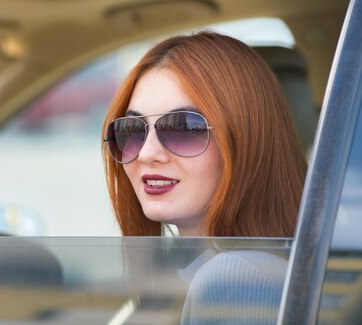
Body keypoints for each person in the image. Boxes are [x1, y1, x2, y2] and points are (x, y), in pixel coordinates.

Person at [102, 31, 307, 237]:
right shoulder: (267, 262)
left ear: (246, 140)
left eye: (183, 129)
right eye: (132, 129)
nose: (146, 154)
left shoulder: (235, 268)